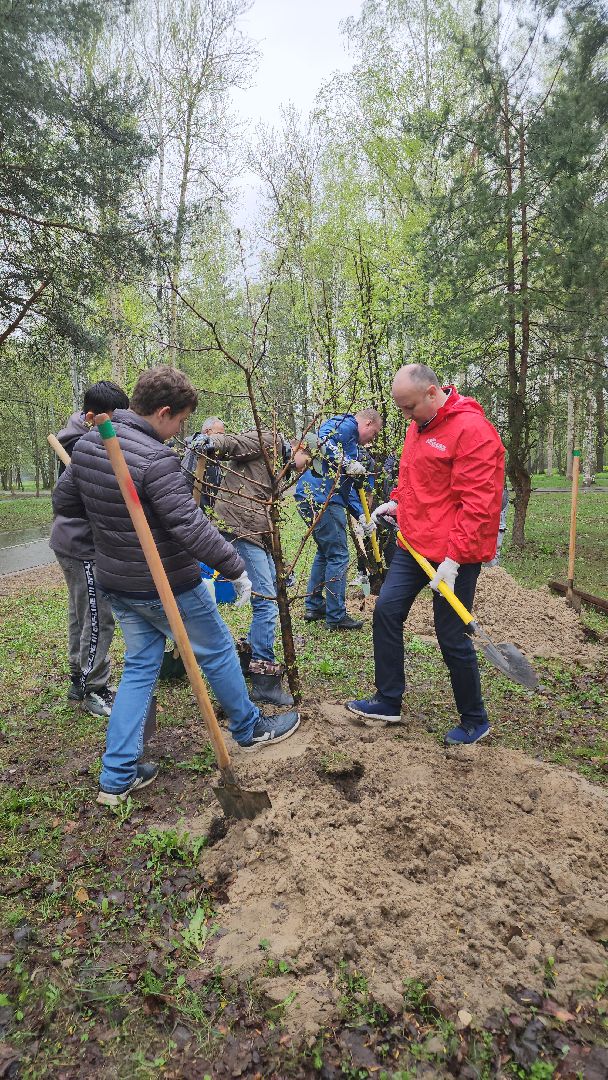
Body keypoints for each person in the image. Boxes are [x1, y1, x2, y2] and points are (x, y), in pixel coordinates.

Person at [52, 366, 300, 806]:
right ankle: (250, 728)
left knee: (140, 668)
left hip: (119, 585)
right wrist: (235, 567)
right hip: (167, 583)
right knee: (217, 650)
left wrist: (110, 514)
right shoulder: (155, 458)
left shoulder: (89, 444)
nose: (181, 430)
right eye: (181, 420)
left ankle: (117, 776)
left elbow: (65, 501)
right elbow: (189, 524)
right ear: (163, 412)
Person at [348, 364, 505, 745]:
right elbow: (414, 479)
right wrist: (396, 503)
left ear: (433, 393)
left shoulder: (473, 431)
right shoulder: (418, 425)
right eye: (401, 408)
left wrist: (455, 560)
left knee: (450, 634)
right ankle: (388, 700)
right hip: (414, 545)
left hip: (454, 554)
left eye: (410, 407)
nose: (406, 416)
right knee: (386, 611)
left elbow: (479, 504)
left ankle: (475, 719)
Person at [197, 427, 316, 707]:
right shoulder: (270, 441)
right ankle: (264, 679)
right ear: (299, 447)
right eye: (307, 462)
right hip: (239, 527)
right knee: (267, 602)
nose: (304, 469)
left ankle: (247, 660)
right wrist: (211, 442)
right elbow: (234, 444)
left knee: (271, 590)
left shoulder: (279, 467)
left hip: (254, 530)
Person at [50, 380, 130, 716]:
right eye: (113, 419)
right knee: (99, 617)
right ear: (91, 416)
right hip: (82, 543)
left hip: (71, 541)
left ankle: (78, 678)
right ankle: (94, 687)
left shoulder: (84, 436)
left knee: (82, 613)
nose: (118, 427)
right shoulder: (82, 445)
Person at [295, 409, 383, 629]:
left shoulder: (350, 443)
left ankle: (315, 605)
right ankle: (336, 616)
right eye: (374, 433)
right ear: (368, 423)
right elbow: (322, 440)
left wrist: (360, 514)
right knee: (338, 555)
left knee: (325, 552)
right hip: (323, 497)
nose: (372, 439)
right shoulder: (346, 425)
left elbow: (346, 486)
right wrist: (346, 461)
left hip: (311, 496)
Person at [182, 416, 225, 508]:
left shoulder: (214, 454)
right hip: (194, 509)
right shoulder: (194, 450)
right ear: (207, 432)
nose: (221, 438)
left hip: (211, 510)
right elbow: (186, 480)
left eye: (223, 435)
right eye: (219, 434)